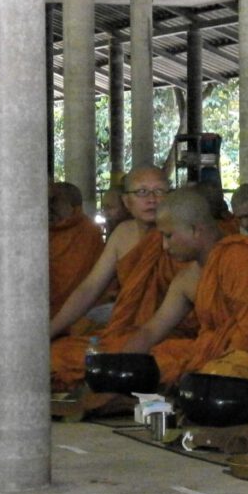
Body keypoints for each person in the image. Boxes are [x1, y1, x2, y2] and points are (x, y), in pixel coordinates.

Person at [120, 188, 248, 387]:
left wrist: (210, 369)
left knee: (219, 375)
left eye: (169, 236)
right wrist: (120, 366)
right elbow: (151, 330)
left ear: (195, 230)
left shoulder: (240, 258)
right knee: (159, 359)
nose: (165, 246)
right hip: (222, 354)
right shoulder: (187, 277)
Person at [50, 166, 188, 390]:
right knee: (57, 355)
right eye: (142, 192)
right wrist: (49, 331)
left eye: (159, 191)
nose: (152, 199)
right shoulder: (122, 234)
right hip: (126, 332)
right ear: (127, 201)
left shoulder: (184, 235)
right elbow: (89, 288)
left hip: (171, 333)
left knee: (169, 362)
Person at [48, 182, 105, 317]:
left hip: (80, 310)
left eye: (54, 200)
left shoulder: (89, 231)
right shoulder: (41, 230)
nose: (48, 206)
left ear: (73, 205)